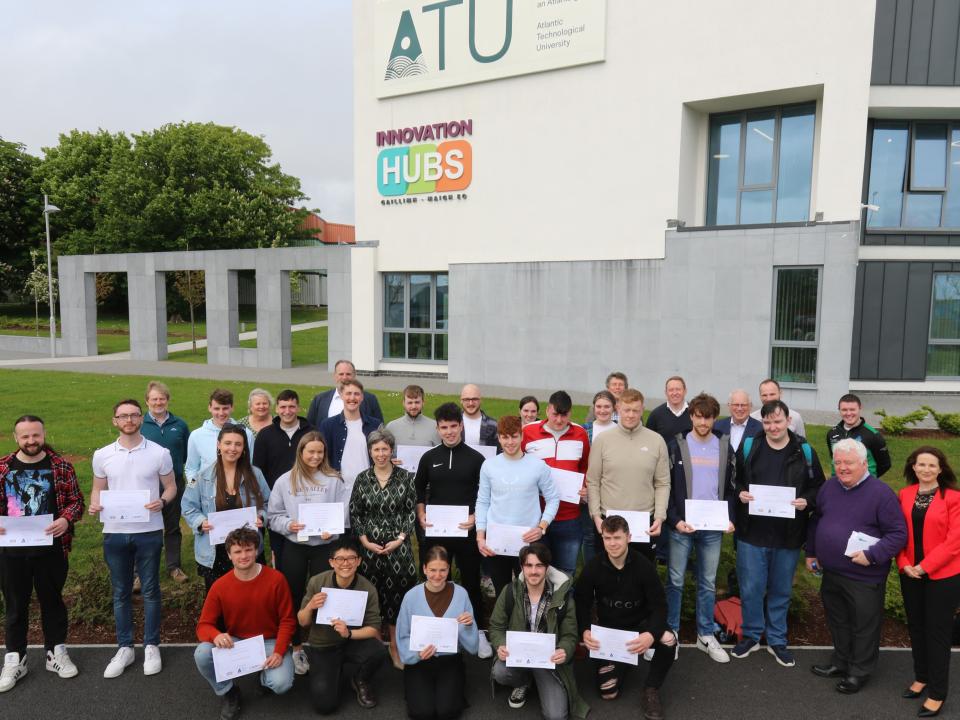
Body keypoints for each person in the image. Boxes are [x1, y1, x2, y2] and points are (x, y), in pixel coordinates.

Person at [805, 439, 906, 694]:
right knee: (838, 621)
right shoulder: (829, 487)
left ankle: (859, 671)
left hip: (864, 574)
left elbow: (897, 534)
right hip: (832, 571)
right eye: (838, 463)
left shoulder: (881, 494)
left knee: (864, 625)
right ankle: (840, 662)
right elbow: (817, 519)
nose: (842, 468)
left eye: (848, 462)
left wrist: (872, 555)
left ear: (863, 463)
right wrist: (812, 552)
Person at [731, 399, 825, 667]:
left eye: (778, 421)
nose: (773, 426)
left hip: (788, 534)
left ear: (788, 421)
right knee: (751, 588)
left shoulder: (804, 451)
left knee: (781, 590)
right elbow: (734, 480)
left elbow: (819, 487)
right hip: (752, 533)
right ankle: (750, 636)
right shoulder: (751, 447)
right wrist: (740, 493)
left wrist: (806, 500)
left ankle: (777, 640)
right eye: (768, 421)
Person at [88, 399, 177, 679]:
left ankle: (151, 644)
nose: (129, 420)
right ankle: (125, 647)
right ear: (115, 420)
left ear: (141, 418)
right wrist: (94, 505)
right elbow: (97, 490)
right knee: (121, 591)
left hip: (148, 530)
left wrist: (162, 501)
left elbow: (171, 486)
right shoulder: (102, 455)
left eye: (134, 415)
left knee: (150, 589)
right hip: (114, 531)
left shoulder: (160, 453)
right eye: (123, 416)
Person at [0, 415, 84, 692]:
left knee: (52, 602)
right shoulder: (2, 468)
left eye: (35, 435)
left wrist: (66, 519)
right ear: (16, 438)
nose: (31, 441)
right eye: (25, 436)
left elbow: (76, 502)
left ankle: (55, 653)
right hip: (11, 552)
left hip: (51, 549)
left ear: (43, 434)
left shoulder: (60, 467)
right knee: (15, 606)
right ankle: (15, 659)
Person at [576, 516, 676, 720]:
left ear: (629, 537)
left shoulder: (644, 566)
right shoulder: (593, 566)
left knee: (668, 639)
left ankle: (651, 689)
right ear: (602, 538)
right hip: (609, 633)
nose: (612, 543)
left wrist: (650, 634)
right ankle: (623, 662)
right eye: (607, 538)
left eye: (617, 538)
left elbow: (660, 606)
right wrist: (585, 630)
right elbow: (581, 603)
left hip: (639, 627)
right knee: (608, 693)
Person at [194, 526, 295, 720]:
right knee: (202, 653)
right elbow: (203, 625)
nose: (243, 555)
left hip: (269, 641)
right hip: (236, 641)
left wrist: (279, 650)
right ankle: (229, 692)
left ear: (256, 550)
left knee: (281, 684)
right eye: (237, 551)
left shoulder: (276, 580)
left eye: (248, 549)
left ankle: (264, 678)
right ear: (229, 555)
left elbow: (287, 620)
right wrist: (216, 635)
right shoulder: (220, 586)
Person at [414, 402, 491, 658]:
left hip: (466, 532)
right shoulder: (429, 458)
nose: (449, 432)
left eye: (453, 426)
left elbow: (487, 494)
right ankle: (437, 630)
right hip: (437, 534)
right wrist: (421, 512)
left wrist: (476, 516)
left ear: (461, 426)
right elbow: (418, 490)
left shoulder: (476, 459)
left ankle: (478, 632)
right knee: (438, 581)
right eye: (444, 427)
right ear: (437, 428)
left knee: (470, 581)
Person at [268, 432, 348, 676]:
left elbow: (343, 514)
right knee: (292, 596)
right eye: (310, 451)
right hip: (296, 547)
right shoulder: (285, 481)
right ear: (301, 452)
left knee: (326, 597)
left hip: (324, 547)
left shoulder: (334, 480)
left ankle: (324, 645)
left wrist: (332, 529)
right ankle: (297, 647)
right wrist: (288, 525)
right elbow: (273, 516)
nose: (315, 456)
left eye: (320, 452)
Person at [665, 393, 735, 664]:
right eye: (698, 416)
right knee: (676, 581)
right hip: (682, 525)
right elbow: (667, 486)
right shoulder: (677, 445)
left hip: (713, 527)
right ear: (691, 416)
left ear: (714, 418)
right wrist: (674, 519)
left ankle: (705, 634)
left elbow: (731, 487)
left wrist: (730, 518)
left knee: (707, 582)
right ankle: (671, 632)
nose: (703, 422)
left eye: (708, 417)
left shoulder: (724, 446)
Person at [488, 543, 588, 720]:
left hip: (547, 661)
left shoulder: (562, 597)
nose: (533, 571)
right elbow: (496, 626)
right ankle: (523, 682)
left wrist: (564, 650)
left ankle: (537, 679)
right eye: (529, 565)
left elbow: (570, 635)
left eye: (539, 565)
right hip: (518, 656)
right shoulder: (510, 592)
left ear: (547, 567)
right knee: (500, 672)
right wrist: (500, 645)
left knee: (556, 716)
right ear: (522, 567)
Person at [897, 446, 960, 717]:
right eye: (920, 464)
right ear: (913, 467)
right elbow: (896, 532)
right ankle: (921, 677)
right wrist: (903, 564)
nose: (925, 469)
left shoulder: (954, 498)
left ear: (941, 469)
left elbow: (954, 542)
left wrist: (924, 567)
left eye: (931, 465)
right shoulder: (905, 494)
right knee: (917, 627)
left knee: (937, 633)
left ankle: (937, 692)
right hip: (910, 573)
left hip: (942, 576)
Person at [350, 429, 418, 668]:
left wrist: (400, 539)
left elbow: (411, 511)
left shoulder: (406, 478)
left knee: (397, 597)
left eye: (385, 449)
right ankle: (375, 648)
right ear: (370, 452)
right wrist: (364, 540)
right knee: (372, 596)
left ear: (392, 450)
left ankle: (395, 647)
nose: (380, 454)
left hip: (398, 549)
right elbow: (355, 512)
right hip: (369, 549)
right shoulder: (362, 479)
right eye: (376, 449)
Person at [297, 537, 388, 714]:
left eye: (351, 558)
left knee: (378, 651)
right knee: (325, 706)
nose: (345, 563)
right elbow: (302, 622)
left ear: (359, 561)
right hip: (323, 645)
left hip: (351, 641)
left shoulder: (367, 587)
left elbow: (373, 627)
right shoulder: (317, 582)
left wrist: (349, 634)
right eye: (340, 559)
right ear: (331, 562)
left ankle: (360, 679)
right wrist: (309, 607)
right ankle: (332, 673)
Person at [181, 424, 270, 593]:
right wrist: (201, 522)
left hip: (247, 551)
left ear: (244, 448)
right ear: (218, 445)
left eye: (238, 444)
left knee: (251, 598)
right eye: (228, 443)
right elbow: (188, 507)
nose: (232, 448)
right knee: (219, 601)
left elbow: (268, 503)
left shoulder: (255, 474)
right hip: (215, 553)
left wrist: (261, 517)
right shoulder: (202, 476)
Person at [476, 416, 560, 594]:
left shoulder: (537, 466)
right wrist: (480, 535)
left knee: (530, 592)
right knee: (502, 591)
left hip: (528, 540)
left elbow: (553, 498)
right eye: (505, 437)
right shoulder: (489, 466)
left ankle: (528, 622)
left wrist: (542, 527)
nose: (510, 442)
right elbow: (483, 501)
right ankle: (504, 622)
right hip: (496, 541)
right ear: (499, 438)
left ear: (522, 436)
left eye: (514, 436)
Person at [395, 545, 480, 720]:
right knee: (422, 713)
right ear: (424, 568)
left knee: (447, 712)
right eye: (432, 570)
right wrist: (416, 654)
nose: (438, 575)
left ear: (449, 569)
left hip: (449, 659)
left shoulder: (461, 594)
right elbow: (402, 635)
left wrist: (468, 625)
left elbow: (472, 647)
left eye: (443, 570)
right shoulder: (411, 597)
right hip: (419, 660)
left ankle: (453, 687)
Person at [586, 389, 670, 562]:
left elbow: (662, 483)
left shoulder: (656, 441)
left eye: (635, 410)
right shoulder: (603, 440)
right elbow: (593, 481)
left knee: (641, 578)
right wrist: (595, 516)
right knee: (607, 577)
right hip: (608, 521)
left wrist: (660, 517)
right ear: (618, 408)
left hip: (644, 522)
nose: (631, 415)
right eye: (626, 410)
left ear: (642, 410)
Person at [521, 390, 590, 576]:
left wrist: (585, 487)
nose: (559, 420)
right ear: (546, 411)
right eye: (555, 414)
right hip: (535, 515)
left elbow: (585, 467)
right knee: (536, 572)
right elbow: (517, 464)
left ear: (571, 413)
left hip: (569, 517)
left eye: (564, 415)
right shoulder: (528, 432)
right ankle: (538, 606)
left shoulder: (580, 434)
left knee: (566, 572)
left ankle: (562, 605)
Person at [252, 389, 316, 569]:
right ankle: (282, 578)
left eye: (291, 406)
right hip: (276, 501)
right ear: (277, 408)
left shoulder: (311, 432)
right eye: (283, 407)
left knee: (307, 543)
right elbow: (258, 471)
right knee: (279, 549)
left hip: (307, 500)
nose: (287, 411)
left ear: (298, 407)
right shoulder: (265, 435)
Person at [140, 380, 190, 584]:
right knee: (144, 528)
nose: (158, 402)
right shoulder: (140, 425)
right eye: (154, 399)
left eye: (162, 398)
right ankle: (140, 572)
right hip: (145, 484)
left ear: (167, 400)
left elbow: (186, 453)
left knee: (172, 526)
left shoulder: (180, 425)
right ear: (147, 401)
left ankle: (174, 567)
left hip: (173, 482)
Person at [319, 378, 383, 503]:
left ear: (362, 397)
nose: (352, 398)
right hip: (339, 489)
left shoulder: (375, 425)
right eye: (348, 393)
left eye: (356, 394)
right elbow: (323, 456)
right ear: (341, 396)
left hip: (369, 487)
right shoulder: (328, 425)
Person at [185, 389, 253, 484]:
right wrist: (194, 488)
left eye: (225, 408)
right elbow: (191, 469)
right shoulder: (196, 435)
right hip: (206, 494)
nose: (221, 413)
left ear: (232, 408)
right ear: (210, 408)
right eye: (217, 408)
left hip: (236, 489)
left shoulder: (246, 433)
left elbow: (249, 466)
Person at [826, 393, 891, 478]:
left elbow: (885, 464)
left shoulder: (873, 435)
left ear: (860, 409)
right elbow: (834, 458)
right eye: (844, 410)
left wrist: (868, 479)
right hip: (839, 483)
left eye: (852, 409)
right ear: (839, 410)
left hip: (864, 486)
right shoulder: (832, 433)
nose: (848, 413)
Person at [307, 359, 384, 427]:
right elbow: (310, 427)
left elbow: (379, 427)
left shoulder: (370, 399)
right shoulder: (320, 399)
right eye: (341, 374)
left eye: (348, 374)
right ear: (335, 376)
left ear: (354, 375)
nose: (344, 378)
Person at [645, 376, 692, 442]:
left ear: (685, 391)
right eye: (671, 390)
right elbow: (648, 440)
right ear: (666, 393)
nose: (675, 393)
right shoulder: (656, 415)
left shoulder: (695, 412)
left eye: (678, 389)